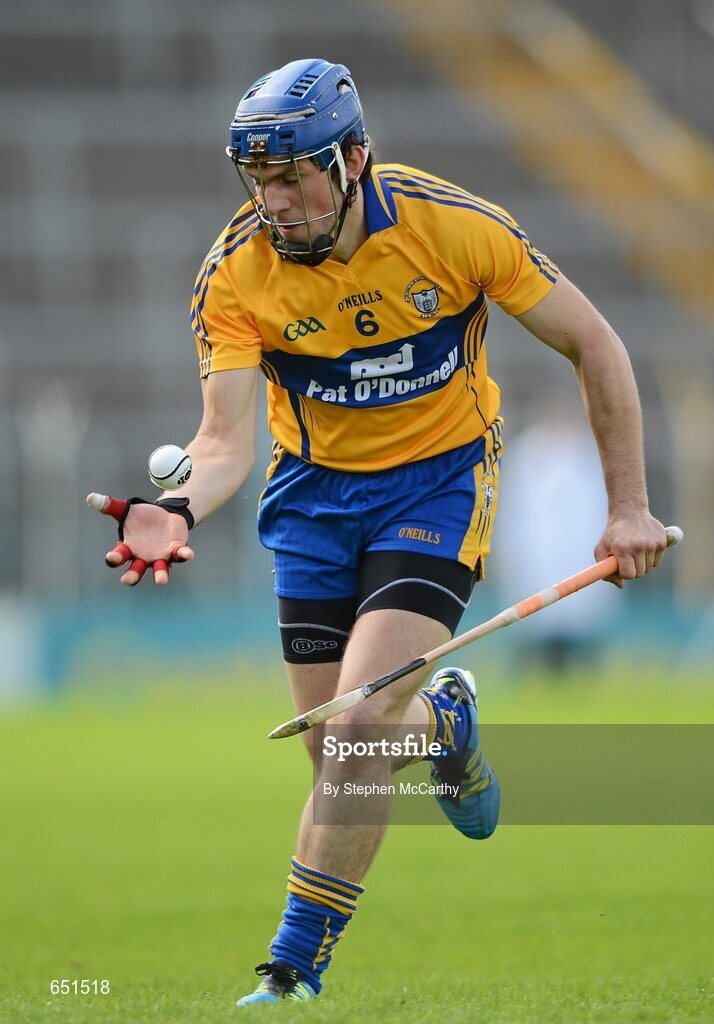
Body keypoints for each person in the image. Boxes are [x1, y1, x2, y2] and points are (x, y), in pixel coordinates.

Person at [90, 58, 668, 1007]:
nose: (275, 202)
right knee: (341, 758)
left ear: (354, 156)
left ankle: (291, 971)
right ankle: (445, 725)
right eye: (259, 182)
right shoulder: (235, 274)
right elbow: (224, 440)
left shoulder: (453, 227)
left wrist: (628, 502)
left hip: (438, 487)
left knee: (358, 729)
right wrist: (179, 505)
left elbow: (592, 341)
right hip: (313, 501)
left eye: (293, 177)